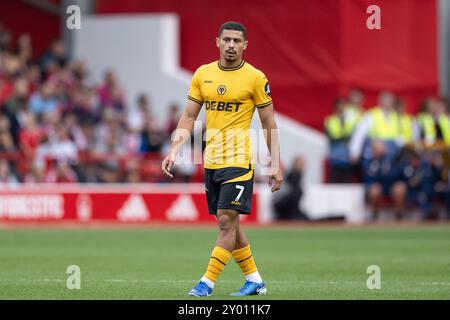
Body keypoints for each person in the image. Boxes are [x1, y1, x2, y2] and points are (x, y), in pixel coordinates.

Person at [161, 21, 282, 297]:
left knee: (227, 220)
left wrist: (275, 162)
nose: (231, 45)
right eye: (226, 40)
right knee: (229, 222)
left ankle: (207, 283)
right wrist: (174, 149)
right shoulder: (203, 74)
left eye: (236, 41)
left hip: (239, 160)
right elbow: (189, 115)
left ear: (245, 45)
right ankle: (255, 280)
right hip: (212, 160)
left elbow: (268, 122)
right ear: (217, 41)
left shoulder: (255, 77)